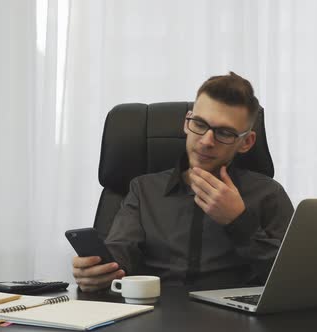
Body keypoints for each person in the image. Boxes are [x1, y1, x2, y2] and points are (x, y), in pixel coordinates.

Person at [72, 72, 294, 292]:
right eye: (199, 124)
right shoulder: (143, 190)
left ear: (246, 142)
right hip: (156, 316)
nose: (207, 141)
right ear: (187, 123)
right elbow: (121, 256)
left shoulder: (268, 194)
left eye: (224, 132)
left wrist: (238, 221)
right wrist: (97, 273)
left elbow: (292, 279)